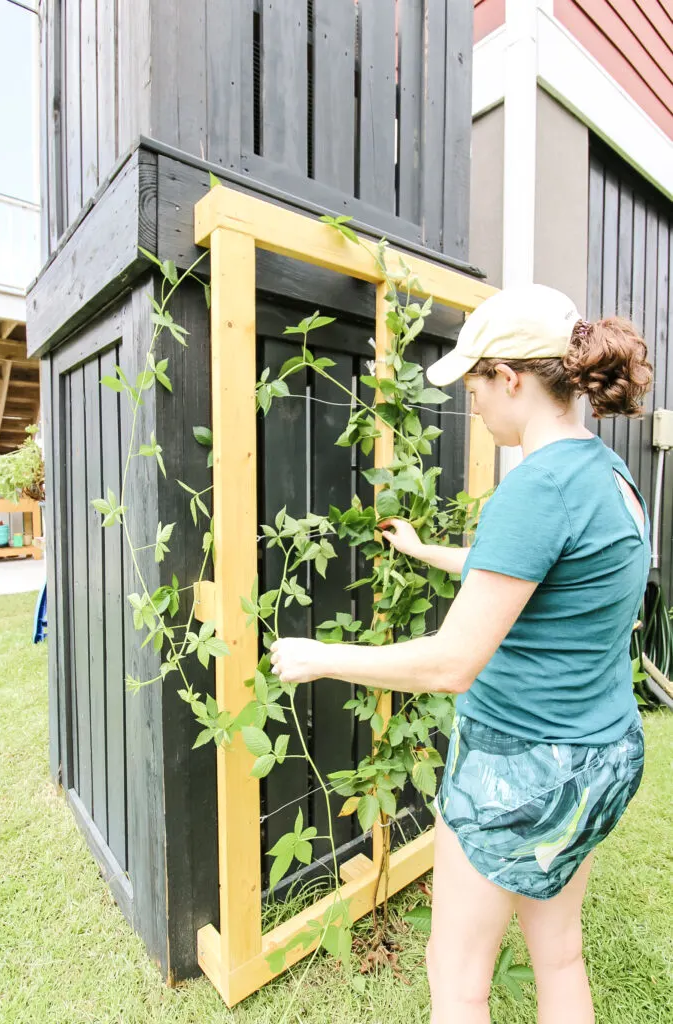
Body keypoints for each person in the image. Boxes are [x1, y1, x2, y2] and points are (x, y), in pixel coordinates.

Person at [270, 283, 653, 1024]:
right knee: (561, 955)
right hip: (596, 756)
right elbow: (527, 567)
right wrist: (426, 552)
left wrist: (320, 656)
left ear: (509, 378)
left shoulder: (534, 487)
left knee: (456, 978)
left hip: (522, 766)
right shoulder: (602, 474)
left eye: (474, 385)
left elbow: (451, 663)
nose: (470, 405)